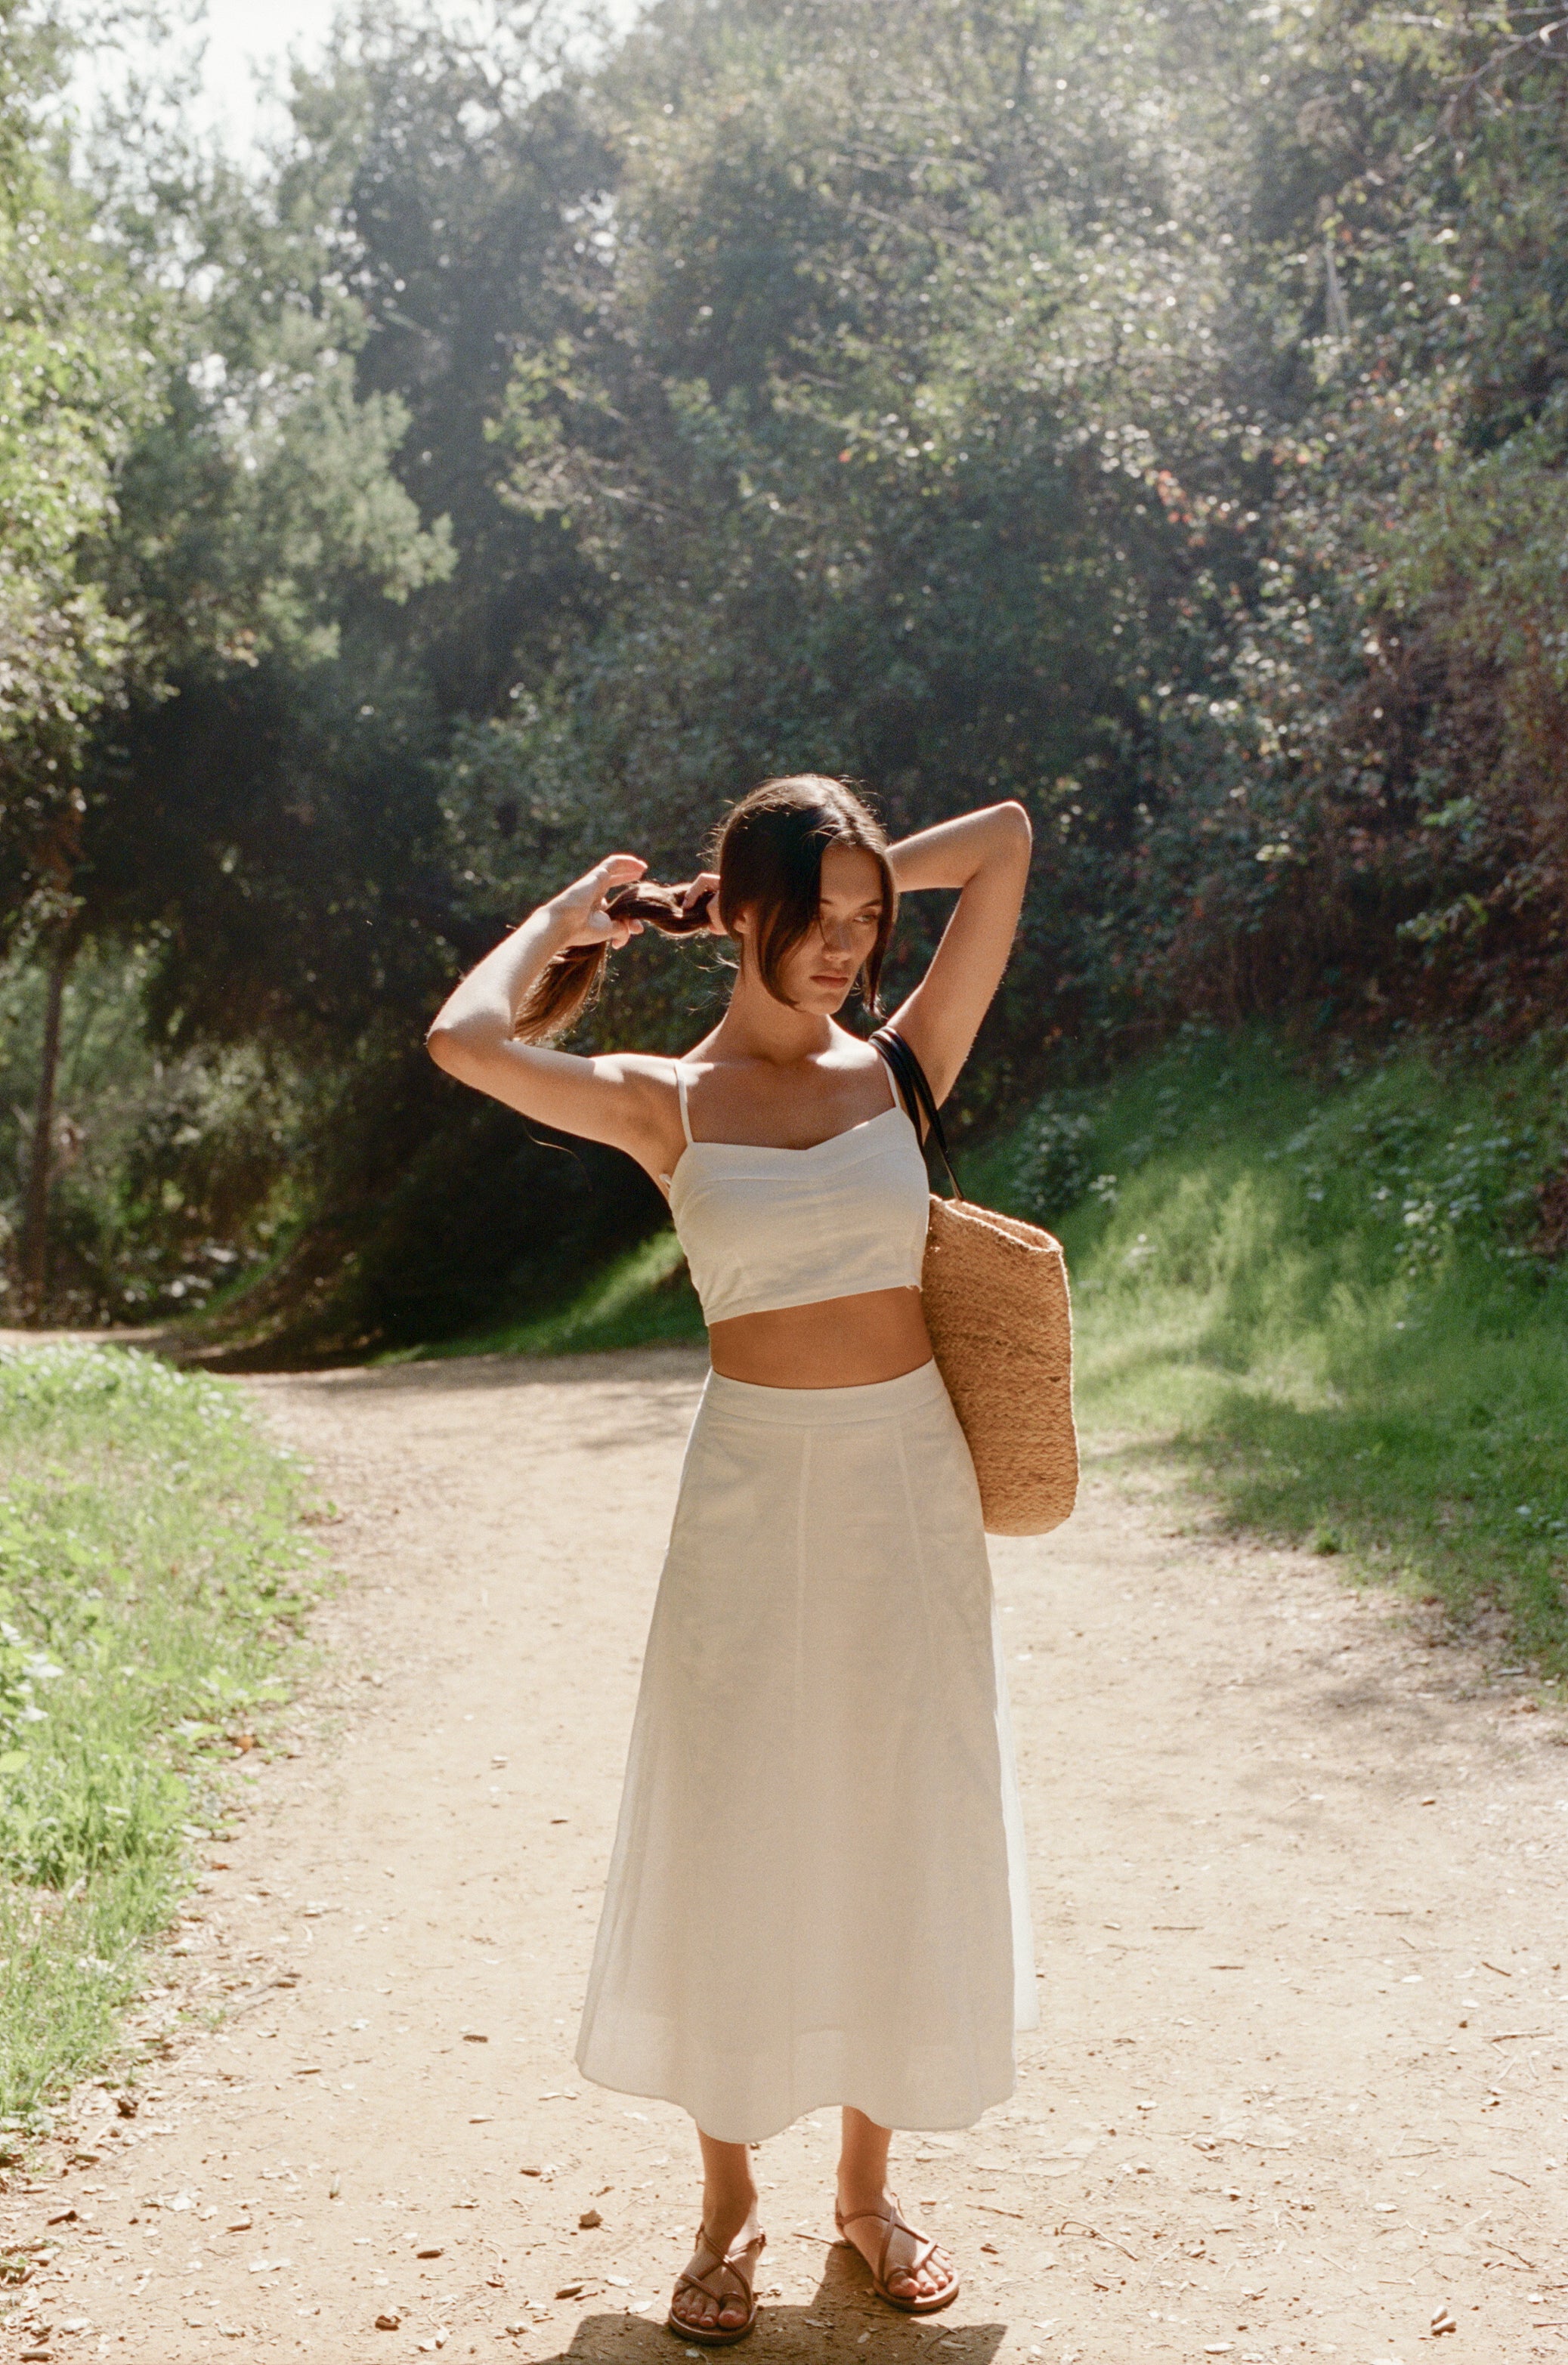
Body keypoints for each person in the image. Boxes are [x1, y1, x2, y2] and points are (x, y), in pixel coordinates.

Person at [427, 775, 1036, 2346]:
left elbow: (1012, 838)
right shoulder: (663, 1101)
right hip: (752, 1491)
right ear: (743, 911)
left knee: (895, 1806)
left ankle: (865, 2187)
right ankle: (725, 2206)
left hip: (910, 1483)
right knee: (736, 1821)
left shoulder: (900, 1068)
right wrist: (568, 918)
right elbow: (464, 1041)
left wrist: (844, 870)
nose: (845, 949)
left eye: (863, 924)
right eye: (812, 919)